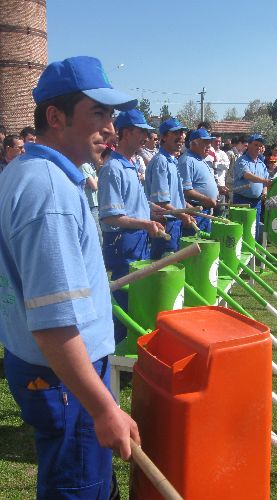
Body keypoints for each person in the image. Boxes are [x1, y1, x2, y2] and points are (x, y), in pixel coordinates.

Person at [0, 55, 141, 498]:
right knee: (79, 487)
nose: (111, 129)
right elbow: (54, 322)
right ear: (55, 117)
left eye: (112, 115)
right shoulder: (49, 191)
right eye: (97, 113)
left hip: (58, 372)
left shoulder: (34, 173)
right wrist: (103, 408)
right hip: (66, 379)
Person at [98, 108, 164, 342]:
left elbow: (128, 204)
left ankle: (129, 350)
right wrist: (146, 223)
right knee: (124, 300)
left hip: (137, 239)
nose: (146, 138)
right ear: (125, 133)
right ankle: (117, 353)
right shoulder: (113, 168)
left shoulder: (130, 164)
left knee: (136, 295)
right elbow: (110, 217)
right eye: (141, 132)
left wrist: (150, 208)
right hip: (123, 242)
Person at [145, 117, 194, 258]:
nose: (182, 137)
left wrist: (188, 209)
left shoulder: (172, 161)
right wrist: (182, 215)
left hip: (174, 221)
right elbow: (161, 202)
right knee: (164, 270)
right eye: (176, 133)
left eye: (183, 133)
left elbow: (175, 196)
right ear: (164, 137)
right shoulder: (161, 162)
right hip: (165, 223)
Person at [177, 128, 219, 233]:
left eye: (210, 141)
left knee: (205, 246)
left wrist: (218, 190)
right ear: (194, 143)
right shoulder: (187, 161)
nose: (209, 145)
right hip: (194, 212)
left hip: (205, 211)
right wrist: (207, 199)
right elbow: (185, 191)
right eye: (205, 142)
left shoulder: (200, 159)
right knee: (194, 245)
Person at [233, 133, 271, 239]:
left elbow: (265, 183)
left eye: (260, 145)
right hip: (241, 200)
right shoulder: (242, 160)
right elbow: (247, 175)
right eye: (255, 144)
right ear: (248, 145)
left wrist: (265, 192)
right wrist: (263, 180)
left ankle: (252, 253)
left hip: (257, 202)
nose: (258, 147)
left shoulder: (262, 164)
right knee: (240, 230)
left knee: (254, 229)